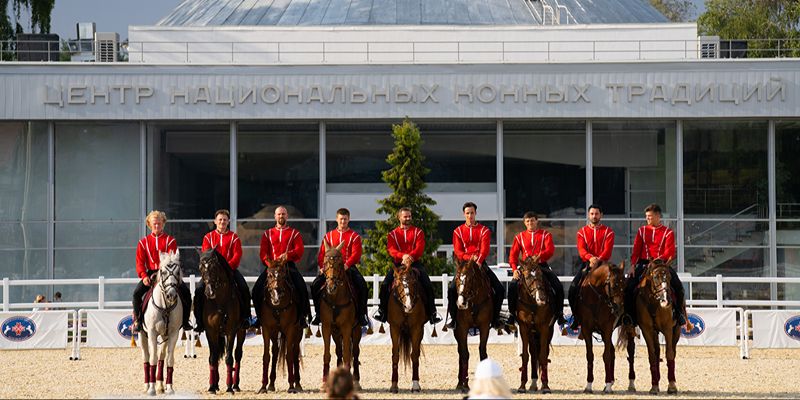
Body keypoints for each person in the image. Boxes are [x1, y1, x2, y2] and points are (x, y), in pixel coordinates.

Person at [624, 203, 692, 330]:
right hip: (644, 264)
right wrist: (633, 265)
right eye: (646, 216)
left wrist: (656, 261)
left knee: (678, 287)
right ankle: (629, 317)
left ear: (657, 216)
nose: (647, 219)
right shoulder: (642, 231)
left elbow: (669, 252)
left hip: (662, 265)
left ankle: (680, 314)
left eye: (650, 216)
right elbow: (636, 250)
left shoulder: (668, 232)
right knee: (628, 287)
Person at [373, 207, 442, 325]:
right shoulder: (392, 234)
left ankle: (432, 313)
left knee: (428, 285)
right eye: (405, 216)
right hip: (398, 264)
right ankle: (382, 312)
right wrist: (402, 256)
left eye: (409, 216)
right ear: (399, 217)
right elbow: (391, 249)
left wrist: (409, 257)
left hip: (415, 263)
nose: (408, 218)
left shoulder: (418, 232)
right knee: (385, 285)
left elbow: (420, 248)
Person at [446, 202, 504, 329]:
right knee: (451, 289)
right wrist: (469, 258)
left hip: (480, 263)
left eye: (472, 213)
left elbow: (485, 249)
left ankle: (495, 319)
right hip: (464, 265)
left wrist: (478, 260)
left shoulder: (484, 230)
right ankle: (454, 319)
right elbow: (458, 251)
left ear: (475, 213)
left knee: (499, 289)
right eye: (467, 213)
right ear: (464, 214)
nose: (470, 215)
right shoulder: (458, 231)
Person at [132, 210, 192, 332]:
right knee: (136, 294)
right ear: (149, 224)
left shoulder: (170, 240)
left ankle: (185, 321)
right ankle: (138, 321)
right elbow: (139, 263)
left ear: (163, 224)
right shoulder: (143, 243)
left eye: (159, 223)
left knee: (186, 293)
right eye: (154, 223)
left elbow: (172, 260)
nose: (157, 226)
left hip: (168, 273)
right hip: (150, 273)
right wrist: (144, 276)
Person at [252, 206, 311, 328]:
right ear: (275, 216)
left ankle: (302, 317)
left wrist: (287, 256)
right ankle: (259, 318)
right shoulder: (267, 234)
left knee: (301, 287)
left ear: (287, 216)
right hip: (272, 266)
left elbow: (299, 250)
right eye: (279, 214)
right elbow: (263, 253)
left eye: (283, 214)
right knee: (256, 289)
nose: (281, 216)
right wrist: (270, 264)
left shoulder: (294, 233)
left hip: (288, 266)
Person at [194, 209, 251, 332]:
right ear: (215, 222)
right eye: (220, 219)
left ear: (228, 221)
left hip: (230, 270)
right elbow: (205, 255)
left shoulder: (234, 237)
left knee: (244, 288)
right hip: (212, 273)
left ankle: (246, 318)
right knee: (198, 290)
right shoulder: (208, 237)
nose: (222, 222)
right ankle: (199, 322)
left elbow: (237, 254)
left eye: (225, 220)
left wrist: (227, 267)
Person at [311, 208, 369, 327]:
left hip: (349, 268)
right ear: (337, 219)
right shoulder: (329, 236)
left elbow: (356, 254)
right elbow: (322, 254)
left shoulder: (354, 236)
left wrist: (346, 265)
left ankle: (361, 315)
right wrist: (322, 266)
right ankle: (318, 314)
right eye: (341, 219)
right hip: (330, 270)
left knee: (362, 285)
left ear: (349, 219)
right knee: (315, 285)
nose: (343, 221)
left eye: (345, 219)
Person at [507, 212, 566, 326]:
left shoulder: (545, 234)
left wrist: (540, 256)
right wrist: (514, 269)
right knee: (513, 286)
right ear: (524, 223)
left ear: (537, 221)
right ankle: (511, 315)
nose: (530, 223)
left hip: (541, 266)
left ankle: (559, 314)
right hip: (526, 268)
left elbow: (550, 250)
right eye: (528, 221)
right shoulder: (519, 237)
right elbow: (513, 256)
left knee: (558, 286)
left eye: (532, 220)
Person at [568, 204, 615, 330]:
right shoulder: (581, 232)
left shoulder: (608, 232)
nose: (594, 216)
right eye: (592, 214)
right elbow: (581, 249)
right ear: (589, 215)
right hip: (587, 264)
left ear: (601, 215)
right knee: (573, 288)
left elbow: (607, 250)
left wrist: (598, 259)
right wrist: (590, 258)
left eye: (597, 214)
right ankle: (576, 317)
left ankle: (623, 319)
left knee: (618, 287)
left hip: (603, 265)